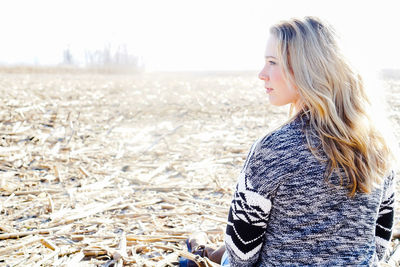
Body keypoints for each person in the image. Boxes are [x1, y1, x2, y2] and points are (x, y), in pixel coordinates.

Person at [180, 16, 396, 266]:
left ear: (308, 69)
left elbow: (242, 256)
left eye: (272, 63)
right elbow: (380, 246)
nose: (262, 74)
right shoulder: (379, 146)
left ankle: (201, 253)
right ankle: (205, 252)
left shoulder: (272, 148)